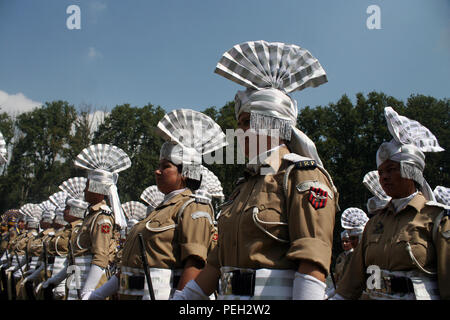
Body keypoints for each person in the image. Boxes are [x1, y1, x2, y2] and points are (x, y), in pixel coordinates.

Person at [173, 40, 338, 300]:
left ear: (272, 123)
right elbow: (216, 263)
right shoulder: (244, 186)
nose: (239, 132)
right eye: (238, 124)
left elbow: (312, 257)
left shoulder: (301, 175)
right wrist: (183, 301)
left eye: (247, 122)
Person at [88, 109, 227, 301]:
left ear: (185, 172)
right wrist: (96, 295)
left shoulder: (192, 207)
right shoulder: (158, 212)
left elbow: (195, 264)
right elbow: (132, 266)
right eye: (159, 166)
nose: (157, 171)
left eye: (165, 166)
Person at [333, 107, 449, 300]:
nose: (384, 177)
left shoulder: (436, 218)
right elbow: (352, 282)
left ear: (411, 171)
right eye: (381, 173)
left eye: (391, 170)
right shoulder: (374, 224)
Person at [65, 144, 131, 300]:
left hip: (91, 282)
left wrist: (88, 292)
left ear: (96, 188)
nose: (84, 190)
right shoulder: (91, 216)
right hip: (77, 278)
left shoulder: (102, 218)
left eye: (87, 186)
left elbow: (100, 257)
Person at [42, 177, 89, 299]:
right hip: (67, 273)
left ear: (76, 210)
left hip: (77, 275)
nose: (64, 211)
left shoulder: (79, 229)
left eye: (67, 208)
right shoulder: (67, 229)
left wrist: (61, 284)